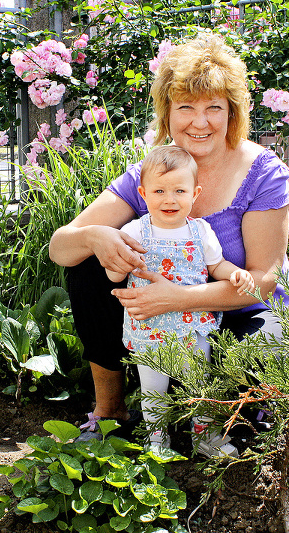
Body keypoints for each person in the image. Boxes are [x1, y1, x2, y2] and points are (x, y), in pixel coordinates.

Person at [48, 33, 289, 444]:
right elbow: (61, 247)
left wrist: (179, 297)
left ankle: (217, 406)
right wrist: (95, 236)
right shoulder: (152, 173)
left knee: (246, 431)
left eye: (214, 107)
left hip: (242, 313)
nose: (200, 122)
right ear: (167, 113)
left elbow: (263, 281)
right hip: (161, 319)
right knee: (88, 264)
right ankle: (111, 410)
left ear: (233, 113)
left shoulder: (262, 172)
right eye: (186, 108)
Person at [109, 144, 254, 457]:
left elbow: (216, 265)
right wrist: (114, 266)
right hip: (150, 330)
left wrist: (235, 274)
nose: (169, 199)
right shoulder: (135, 230)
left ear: (195, 193)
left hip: (192, 326)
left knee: (199, 385)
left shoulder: (200, 231)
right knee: (154, 392)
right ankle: (157, 443)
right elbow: (116, 273)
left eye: (179, 190)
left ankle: (205, 438)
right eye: (159, 190)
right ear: (143, 193)